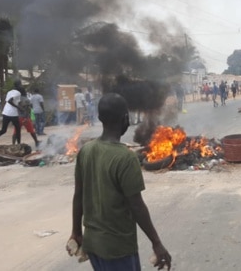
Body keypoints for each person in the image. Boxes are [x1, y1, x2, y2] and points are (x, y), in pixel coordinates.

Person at [68, 93, 172, 271]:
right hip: (117, 248)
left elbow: (78, 195)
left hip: (93, 244)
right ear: (126, 119)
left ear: (100, 118)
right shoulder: (125, 158)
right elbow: (137, 206)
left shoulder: (86, 151)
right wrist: (157, 243)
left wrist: (76, 232)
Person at [0, 81, 22, 145]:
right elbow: (10, 101)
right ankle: (19, 144)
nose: (21, 86)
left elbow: (9, 101)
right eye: (20, 85)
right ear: (18, 85)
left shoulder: (9, 92)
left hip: (6, 112)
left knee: (3, 130)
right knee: (18, 129)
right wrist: (18, 107)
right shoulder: (18, 93)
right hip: (13, 113)